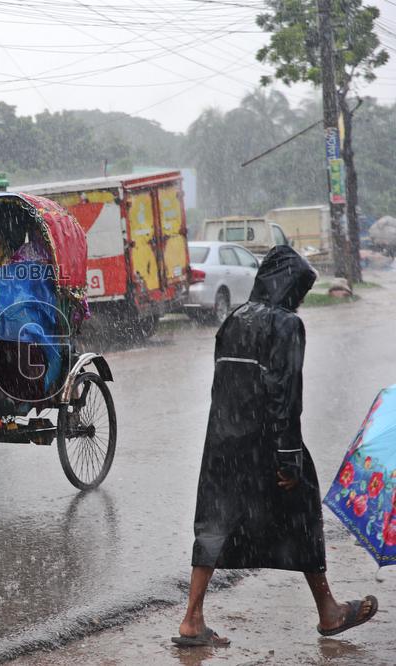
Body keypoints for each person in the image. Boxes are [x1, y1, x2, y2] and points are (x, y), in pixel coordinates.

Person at [173, 245, 378, 648]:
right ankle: (329, 610)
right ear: (289, 286)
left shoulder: (232, 320)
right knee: (302, 514)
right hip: (265, 444)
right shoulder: (286, 325)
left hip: (222, 443)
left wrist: (225, 438)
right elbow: (285, 394)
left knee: (213, 525)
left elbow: (222, 386)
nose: (299, 299)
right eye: (300, 289)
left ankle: (192, 619)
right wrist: (288, 457)